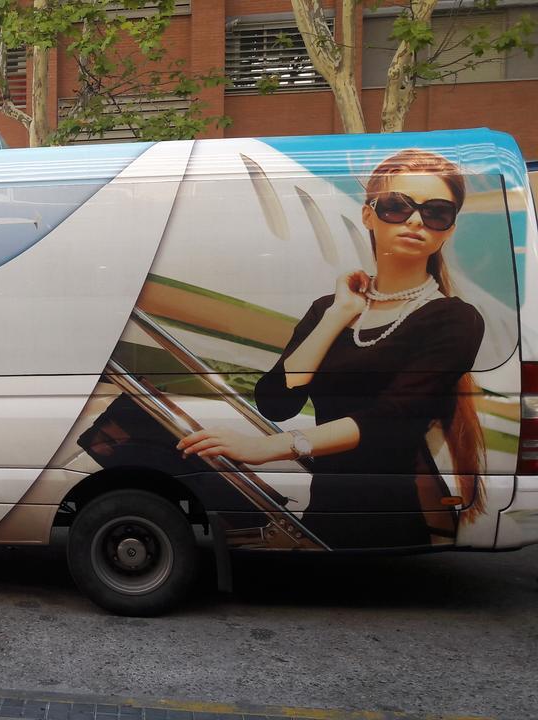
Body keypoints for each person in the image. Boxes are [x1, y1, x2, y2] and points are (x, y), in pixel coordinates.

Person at [176, 148, 486, 549]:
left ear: (448, 230)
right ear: (368, 214)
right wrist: (339, 314)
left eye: (436, 212)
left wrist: (267, 447)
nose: (414, 220)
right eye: (397, 206)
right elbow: (276, 401)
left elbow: (393, 418)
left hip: (390, 520)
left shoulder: (454, 319)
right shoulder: (329, 308)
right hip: (322, 515)